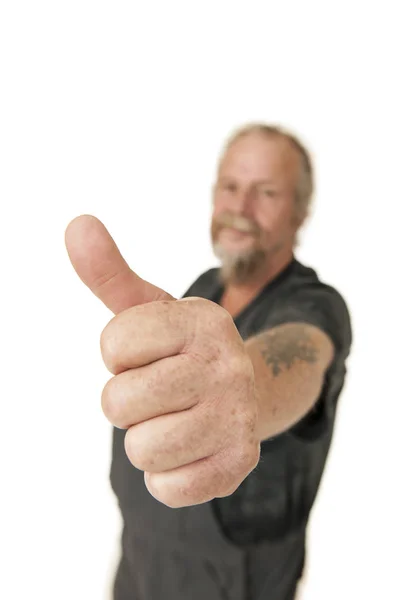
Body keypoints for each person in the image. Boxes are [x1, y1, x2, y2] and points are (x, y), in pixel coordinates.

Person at [65, 123, 352, 600]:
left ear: (300, 213)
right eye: (231, 187)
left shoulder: (317, 307)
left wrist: (247, 390)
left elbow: (301, 358)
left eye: (266, 192)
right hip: (137, 578)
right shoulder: (203, 291)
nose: (241, 208)